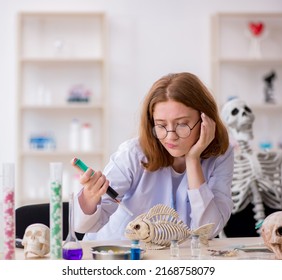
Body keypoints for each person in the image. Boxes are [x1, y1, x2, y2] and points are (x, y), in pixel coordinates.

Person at [72, 72, 234, 241]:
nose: (170, 136)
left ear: (205, 120)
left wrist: (193, 159)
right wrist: (90, 197)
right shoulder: (133, 154)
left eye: (182, 124)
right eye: (161, 125)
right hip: (119, 255)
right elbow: (83, 226)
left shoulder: (221, 154)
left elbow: (207, 231)